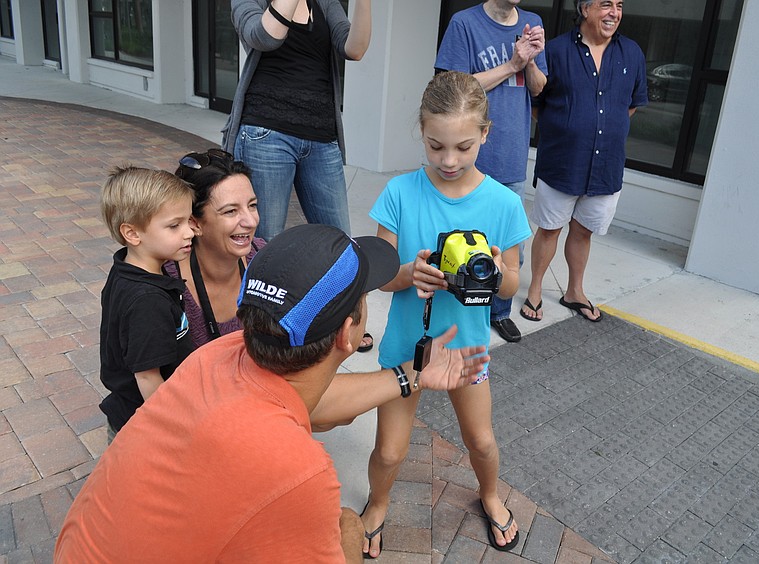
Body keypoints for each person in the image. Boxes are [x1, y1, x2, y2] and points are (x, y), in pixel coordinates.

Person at [56, 223, 490, 563]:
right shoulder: (299, 474)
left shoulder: (217, 357)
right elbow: (310, 416)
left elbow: (315, 404)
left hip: (79, 550)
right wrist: (348, 534)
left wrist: (410, 374)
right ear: (348, 332)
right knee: (341, 526)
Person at [360, 71, 531, 558]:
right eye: (436, 147)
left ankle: (491, 495)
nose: (449, 160)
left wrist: (496, 272)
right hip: (405, 345)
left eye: (462, 147)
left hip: (467, 348)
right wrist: (408, 275)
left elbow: (514, 281)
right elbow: (380, 273)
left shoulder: (503, 203)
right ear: (421, 131)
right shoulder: (399, 193)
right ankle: (377, 503)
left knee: (481, 441)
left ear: (485, 134)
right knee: (390, 450)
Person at [224, 0, 376, 353]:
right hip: (266, 133)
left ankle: (346, 319)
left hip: (321, 138)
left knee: (340, 241)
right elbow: (263, 36)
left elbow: (354, 48)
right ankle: (263, 329)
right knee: (264, 243)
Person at [522, 0, 647, 323]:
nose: (614, 13)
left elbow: (630, 105)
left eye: (619, 6)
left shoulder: (631, 53)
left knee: (583, 232)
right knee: (549, 229)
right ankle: (535, 290)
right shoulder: (556, 50)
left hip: (606, 165)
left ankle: (574, 291)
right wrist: (568, 127)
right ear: (585, 8)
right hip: (562, 162)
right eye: (606, 4)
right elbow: (536, 104)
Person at [435, 0, 547, 344]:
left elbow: (539, 87)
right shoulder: (464, 23)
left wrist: (527, 62)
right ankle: (453, 309)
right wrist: (511, 62)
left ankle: (499, 312)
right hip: (470, 159)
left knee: (510, 246)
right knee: (461, 241)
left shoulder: (532, 22)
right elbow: (452, 89)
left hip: (513, 156)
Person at [96, 166, 196, 440]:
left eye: (188, 221)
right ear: (133, 233)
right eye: (174, 225)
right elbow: (148, 377)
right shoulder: (147, 300)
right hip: (143, 423)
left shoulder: (127, 268)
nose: (189, 232)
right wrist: (173, 429)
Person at [164, 149, 266, 349]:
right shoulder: (165, 282)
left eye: (252, 205)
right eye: (231, 211)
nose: (251, 221)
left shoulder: (265, 259)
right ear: (195, 223)